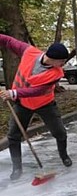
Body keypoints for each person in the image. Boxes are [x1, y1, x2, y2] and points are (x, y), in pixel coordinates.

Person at [0, 34, 72, 180]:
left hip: (45, 104)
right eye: (62, 61)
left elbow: (37, 91)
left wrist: (13, 93)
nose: (64, 63)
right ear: (52, 58)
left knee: (60, 133)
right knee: (14, 136)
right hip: (23, 105)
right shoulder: (29, 52)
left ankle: (64, 156)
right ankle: (17, 169)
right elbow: (8, 41)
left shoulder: (56, 73)